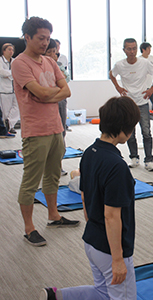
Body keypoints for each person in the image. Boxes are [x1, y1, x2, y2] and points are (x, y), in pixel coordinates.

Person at [41, 96, 140, 300]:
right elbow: (112, 216)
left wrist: (92, 225)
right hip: (109, 248)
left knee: (103, 292)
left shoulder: (89, 153)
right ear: (124, 128)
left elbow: (85, 196)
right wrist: (118, 259)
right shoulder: (117, 167)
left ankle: (56, 296)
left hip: (92, 240)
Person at [12, 17, 79, 247]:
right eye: (41, 38)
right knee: (31, 180)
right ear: (27, 37)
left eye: (48, 38)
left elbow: (66, 91)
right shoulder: (20, 63)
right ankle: (29, 228)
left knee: (52, 176)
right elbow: (41, 92)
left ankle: (54, 216)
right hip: (35, 131)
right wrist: (50, 93)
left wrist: (47, 94)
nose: (45, 43)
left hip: (55, 128)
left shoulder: (50, 62)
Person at [110, 38, 153, 171]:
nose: (132, 51)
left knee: (146, 132)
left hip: (142, 101)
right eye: (129, 49)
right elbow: (111, 74)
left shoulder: (144, 62)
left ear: (137, 49)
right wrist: (118, 88)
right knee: (129, 133)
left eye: (134, 48)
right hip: (128, 103)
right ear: (124, 50)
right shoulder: (120, 65)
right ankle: (134, 157)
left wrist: (152, 88)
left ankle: (149, 160)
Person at [45, 38, 71, 176]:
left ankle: (58, 165)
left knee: (61, 133)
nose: (53, 55)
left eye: (54, 52)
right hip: (46, 106)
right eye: (49, 52)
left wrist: (54, 91)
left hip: (60, 102)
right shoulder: (40, 68)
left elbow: (66, 84)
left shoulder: (59, 67)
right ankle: (48, 166)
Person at [0, 43, 19, 134]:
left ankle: (10, 124)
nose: (11, 51)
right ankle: (7, 129)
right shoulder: (0, 61)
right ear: (4, 51)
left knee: (17, 108)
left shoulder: (15, 61)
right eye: (9, 49)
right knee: (5, 111)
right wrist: (12, 74)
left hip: (15, 89)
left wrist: (10, 74)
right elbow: (2, 73)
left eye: (12, 50)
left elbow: (19, 72)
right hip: (4, 90)